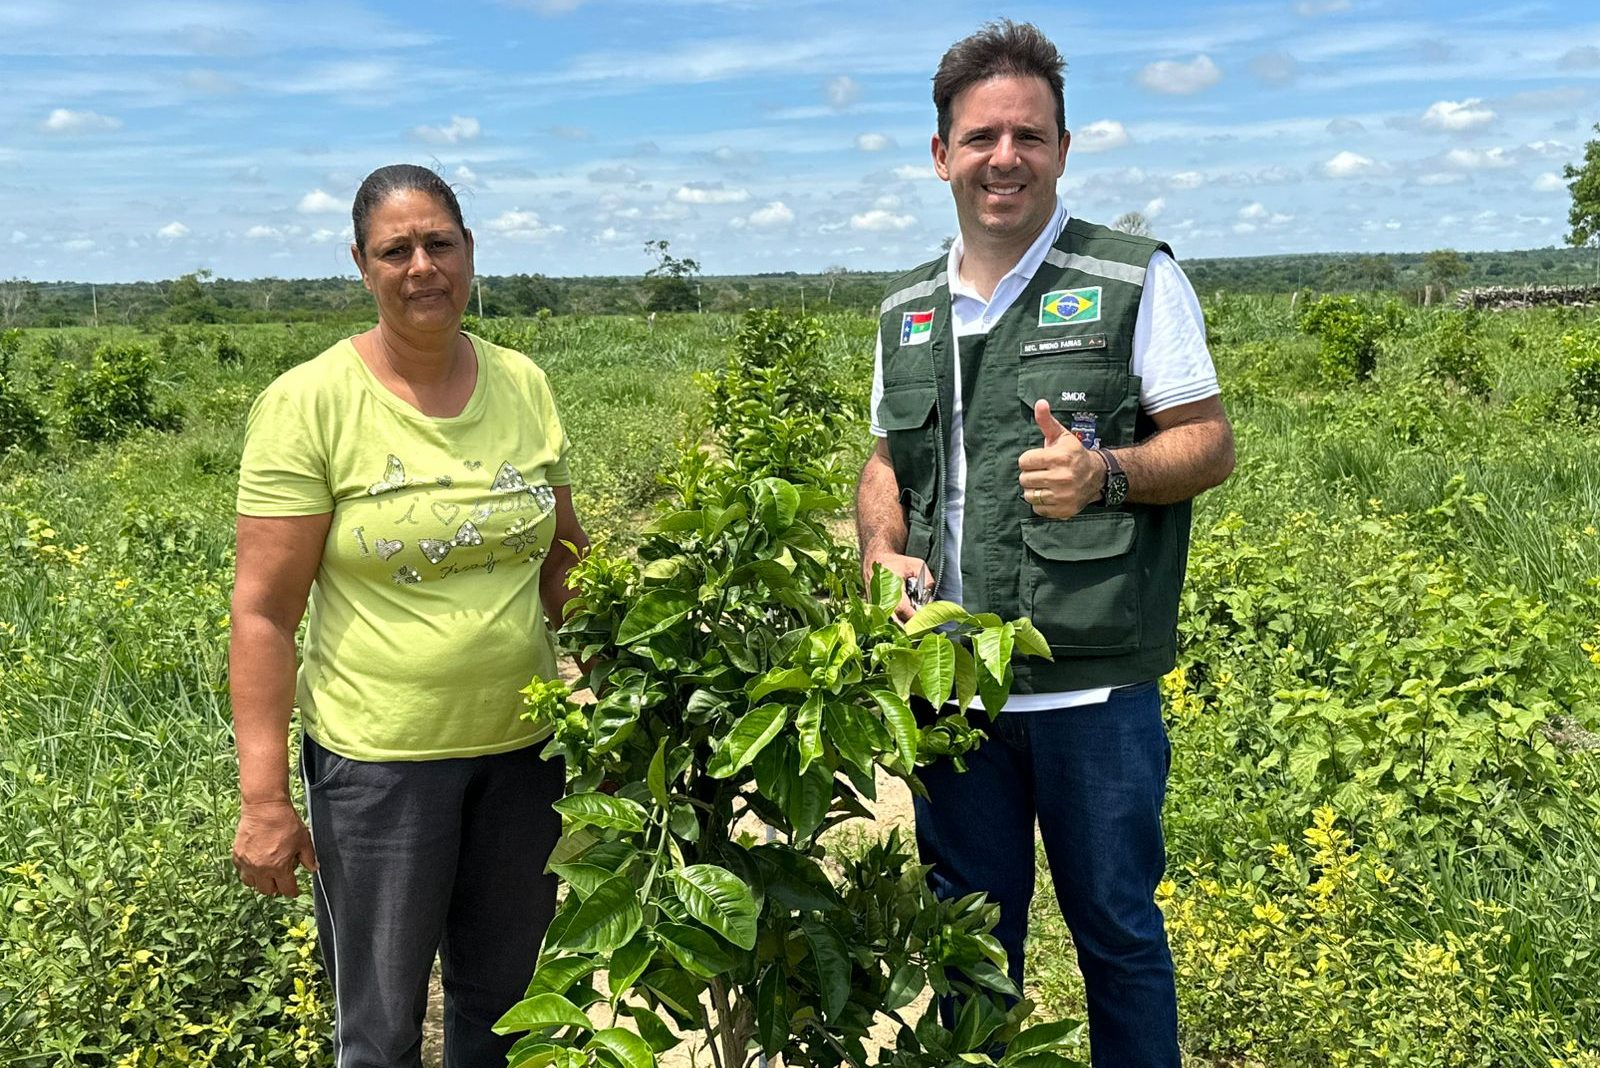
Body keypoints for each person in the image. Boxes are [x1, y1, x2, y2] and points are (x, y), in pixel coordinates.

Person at [854, 21, 1235, 1068]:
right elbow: (888, 463)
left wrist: (1105, 474)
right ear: (941, 155)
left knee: (1116, 933)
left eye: (1028, 134)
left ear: (1063, 148)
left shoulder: (1130, 278)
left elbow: (1205, 443)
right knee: (971, 948)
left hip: (1092, 690)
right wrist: (879, 551)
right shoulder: (905, 313)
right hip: (954, 693)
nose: (1003, 156)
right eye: (980, 137)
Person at [229, 163, 588, 1067]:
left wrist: (627, 696)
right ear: (361, 263)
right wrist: (265, 797)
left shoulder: (523, 383)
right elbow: (265, 612)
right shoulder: (309, 403)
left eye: (440, 244)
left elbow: (565, 559)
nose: (422, 266)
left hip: (524, 753)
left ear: (470, 252)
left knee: (503, 1006)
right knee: (381, 1028)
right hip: (379, 769)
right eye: (397, 250)